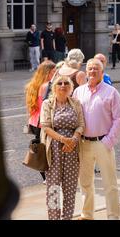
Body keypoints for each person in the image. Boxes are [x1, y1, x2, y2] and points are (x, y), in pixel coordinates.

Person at [73, 58, 120, 220]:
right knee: (86, 183)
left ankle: (113, 216)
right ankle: (87, 214)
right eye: (90, 69)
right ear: (86, 72)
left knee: (110, 184)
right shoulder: (78, 92)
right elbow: (74, 116)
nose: (93, 71)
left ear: (102, 72)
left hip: (103, 143)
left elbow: (119, 119)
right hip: (83, 144)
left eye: (96, 69)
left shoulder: (111, 92)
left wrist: (108, 141)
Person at [40, 75, 85, 220]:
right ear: (54, 87)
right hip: (53, 151)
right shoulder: (48, 103)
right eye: (60, 83)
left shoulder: (75, 103)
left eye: (66, 83)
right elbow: (45, 127)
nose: (63, 85)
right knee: (53, 189)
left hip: (72, 150)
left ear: (71, 87)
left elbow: (81, 124)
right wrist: (63, 139)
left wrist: (73, 139)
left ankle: (67, 218)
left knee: (70, 189)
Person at [25, 60, 56, 182]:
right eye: (54, 71)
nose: (55, 74)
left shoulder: (32, 85)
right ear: (48, 72)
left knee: (40, 149)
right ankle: (49, 177)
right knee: (47, 150)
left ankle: (45, 177)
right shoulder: (47, 86)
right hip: (43, 122)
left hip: (34, 122)